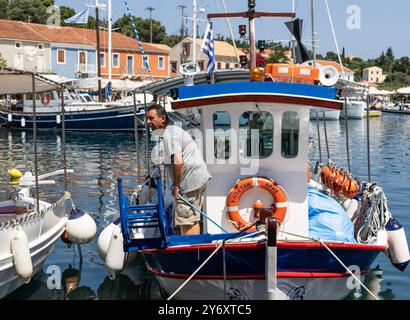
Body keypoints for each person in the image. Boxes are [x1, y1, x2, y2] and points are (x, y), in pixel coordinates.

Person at [146, 105, 211, 235]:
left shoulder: (169, 134)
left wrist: (176, 186)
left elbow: (178, 162)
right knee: (192, 218)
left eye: (151, 118)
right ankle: (193, 249)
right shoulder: (172, 131)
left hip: (190, 181)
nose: (148, 122)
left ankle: (190, 251)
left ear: (163, 118)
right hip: (197, 178)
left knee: (186, 219)